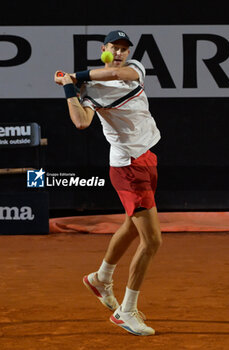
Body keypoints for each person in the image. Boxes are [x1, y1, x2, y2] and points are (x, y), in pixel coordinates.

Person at [54, 30, 162, 336]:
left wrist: (73, 75)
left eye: (124, 49)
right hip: (128, 167)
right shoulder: (90, 90)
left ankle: (101, 278)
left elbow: (114, 72)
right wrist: (69, 89)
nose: (119, 52)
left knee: (132, 224)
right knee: (152, 240)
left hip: (147, 157)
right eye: (114, 47)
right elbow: (81, 122)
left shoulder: (135, 69)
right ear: (104, 49)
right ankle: (126, 311)